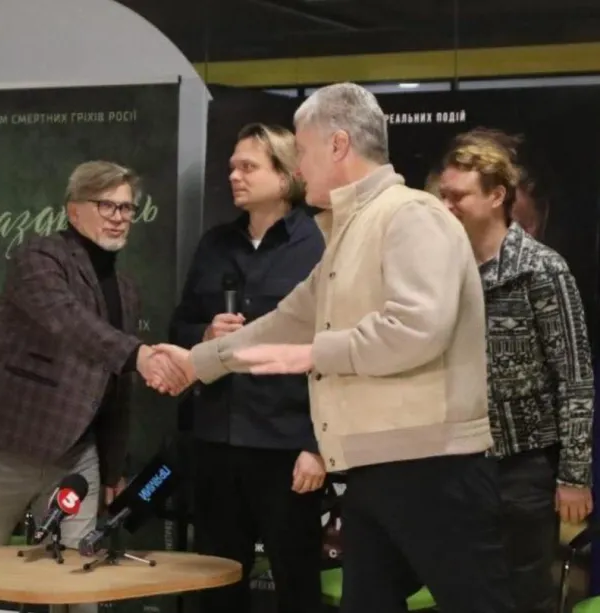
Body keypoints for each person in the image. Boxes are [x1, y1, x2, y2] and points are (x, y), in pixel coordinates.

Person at [150, 82, 514, 613]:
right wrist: (197, 362)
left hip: (434, 466)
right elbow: (289, 319)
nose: (298, 167)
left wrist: (315, 353)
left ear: (338, 145)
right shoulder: (348, 229)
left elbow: (417, 328)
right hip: (374, 466)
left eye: (302, 150)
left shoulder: (411, 215)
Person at [0, 161, 182, 613]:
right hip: (2, 447)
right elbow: (68, 322)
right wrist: (141, 355)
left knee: (79, 580)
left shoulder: (126, 289)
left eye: (127, 208)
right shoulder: (38, 258)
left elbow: (116, 388)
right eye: (106, 205)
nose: (119, 216)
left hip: (75, 456)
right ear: (74, 210)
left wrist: (112, 468)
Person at [168, 123, 325, 613]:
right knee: (216, 584)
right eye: (232, 166)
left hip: (286, 446)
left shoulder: (320, 244)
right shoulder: (214, 244)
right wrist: (205, 334)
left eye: (248, 167)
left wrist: (317, 446)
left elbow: (339, 349)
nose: (234, 176)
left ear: (285, 175)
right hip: (215, 442)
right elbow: (179, 326)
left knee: (297, 584)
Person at [438, 128, 594, 613]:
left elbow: (575, 377)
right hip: (456, 461)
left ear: (497, 196)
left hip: (523, 467)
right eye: (443, 195)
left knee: (525, 594)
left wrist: (574, 476)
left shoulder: (542, 269)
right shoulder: (442, 268)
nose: (446, 205)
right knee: (463, 591)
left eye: (458, 196)